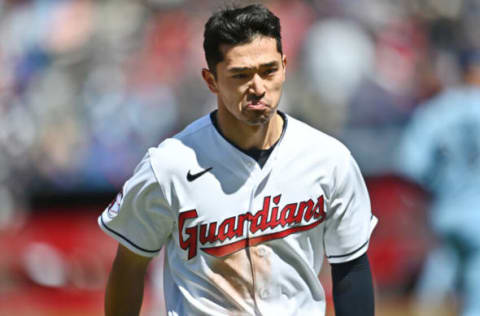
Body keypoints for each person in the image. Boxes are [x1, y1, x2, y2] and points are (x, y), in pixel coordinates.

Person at [98, 4, 377, 316]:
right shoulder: (168, 166)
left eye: (269, 70)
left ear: (285, 66)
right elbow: (129, 266)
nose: (258, 87)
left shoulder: (329, 159)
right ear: (211, 80)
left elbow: (351, 268)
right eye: (240, 75)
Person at [396, 49, 480, 316]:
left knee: (442, 266)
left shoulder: (438, 110)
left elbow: (409, 164)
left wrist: (439, 185)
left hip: (446, 208)